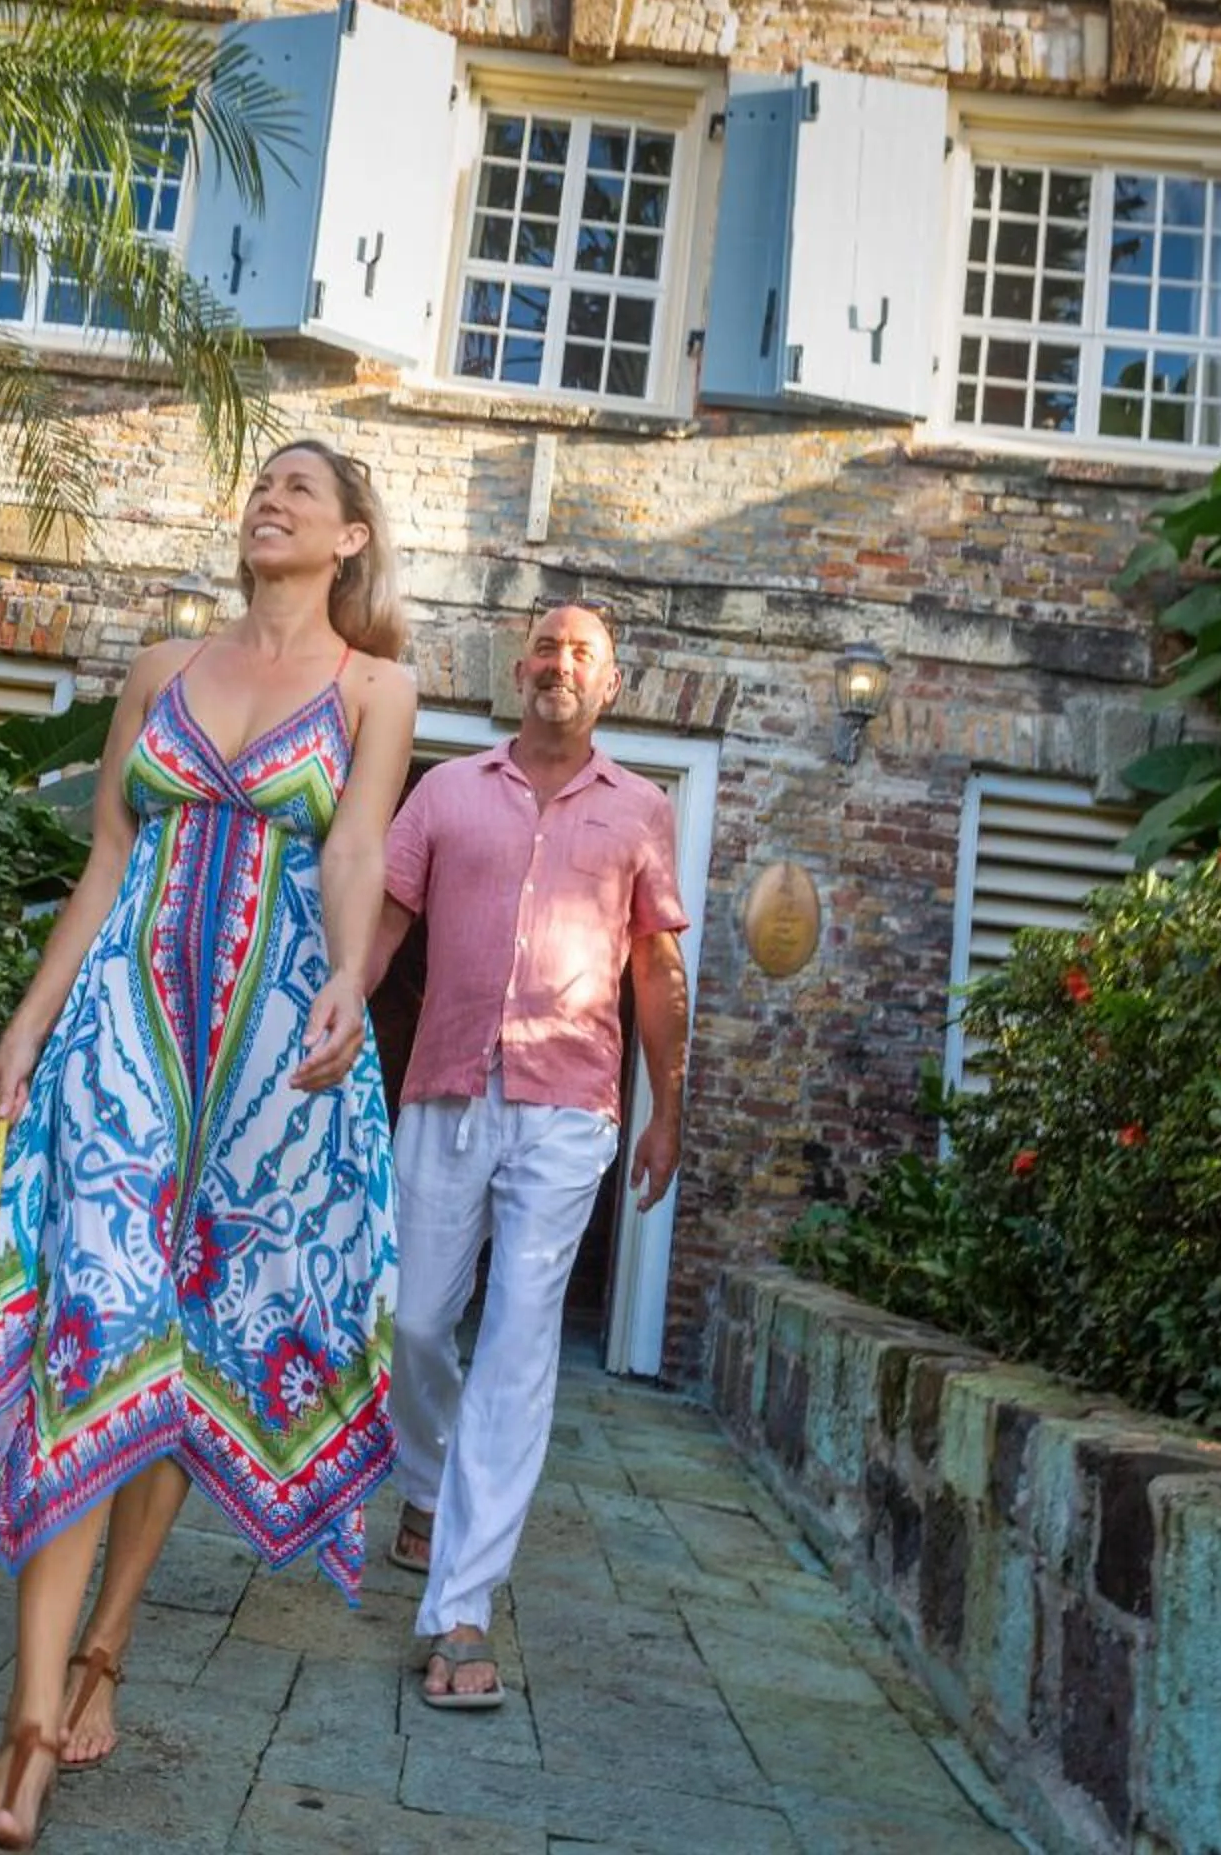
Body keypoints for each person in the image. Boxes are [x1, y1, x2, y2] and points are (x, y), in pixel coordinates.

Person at [0, 440, 417, 1852]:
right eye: (259, 486)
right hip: (122, 1037)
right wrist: (27, 1026)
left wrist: (348, 978)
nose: (268, 503)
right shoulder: (159, 669)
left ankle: (109, 1645)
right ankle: (27, 1730)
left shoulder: (375, 691)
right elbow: (104, 856)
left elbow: (357, 853)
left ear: (348, 541)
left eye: (300, 494)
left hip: (278, 1060)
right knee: (96, 1328)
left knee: (194, 1340)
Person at [370, 602, 691, 1711]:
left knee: (516, 1338)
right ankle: (426, 1477)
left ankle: (462, 1602)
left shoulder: (643, 810)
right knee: (414, 1316)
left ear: (612, 684)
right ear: (520, 670)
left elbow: (656, 970)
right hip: (445, 1084)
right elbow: (386, 922)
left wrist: (669, 1110)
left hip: (570, 1109)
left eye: (583, 654)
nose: (562, 665)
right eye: (547, 648)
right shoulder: (446, 792)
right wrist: (330, 1016)